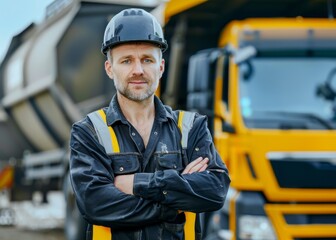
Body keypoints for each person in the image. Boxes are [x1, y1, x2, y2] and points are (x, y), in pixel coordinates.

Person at [69, 7, 230, 240]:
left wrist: (135, 183)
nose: (138, 70)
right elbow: (95, 204)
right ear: (110, 69)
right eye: (126, 61)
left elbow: (215, 191)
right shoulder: (89, 132)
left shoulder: (191, 127)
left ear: (161, 67)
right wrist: (174, 202)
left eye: (147, 60)